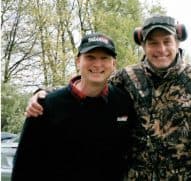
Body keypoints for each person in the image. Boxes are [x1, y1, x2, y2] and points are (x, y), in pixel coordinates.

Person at [24, 15, 191, 180]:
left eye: (167, 41)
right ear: (143, 45)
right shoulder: (126, 77)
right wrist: (41, 95)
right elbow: (88, 85)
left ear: (177, 43)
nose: (161, 49)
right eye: (153, 42)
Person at [12, 33, 136, 181]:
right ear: (78, 61)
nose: (97, 64)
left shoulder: (123, 103)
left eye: (104, 58)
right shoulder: (46, 105)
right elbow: (24, 165)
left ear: (114, 64)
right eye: (90, 57)